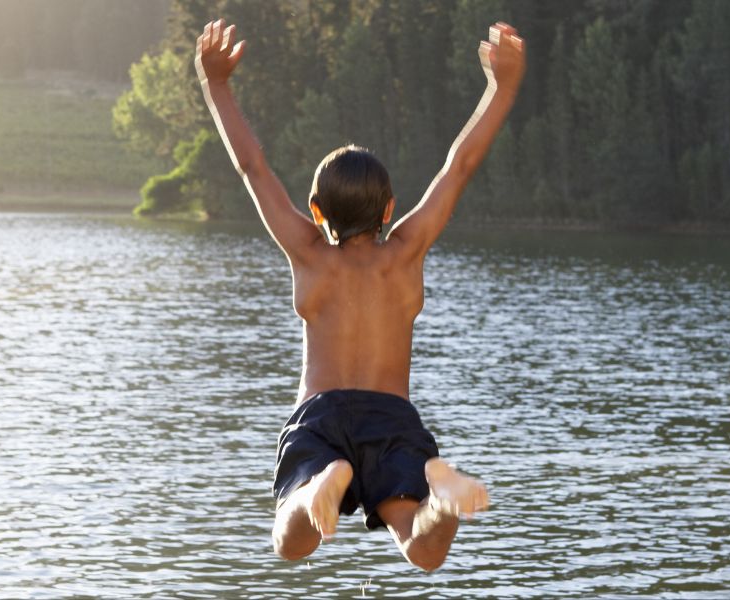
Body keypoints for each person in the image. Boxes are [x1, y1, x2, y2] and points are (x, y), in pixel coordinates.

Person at [193, 18, 525, 571]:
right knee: (422, 549)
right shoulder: (406, 252)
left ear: (317, 211)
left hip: (320, 417)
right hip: (391, 418)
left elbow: (251, 166)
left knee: (291, 540)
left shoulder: (309, 252)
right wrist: (503, 86)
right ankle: (441, 501)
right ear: (390, 209)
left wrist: (217, 84)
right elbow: (459, 166)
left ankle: (318, 484)